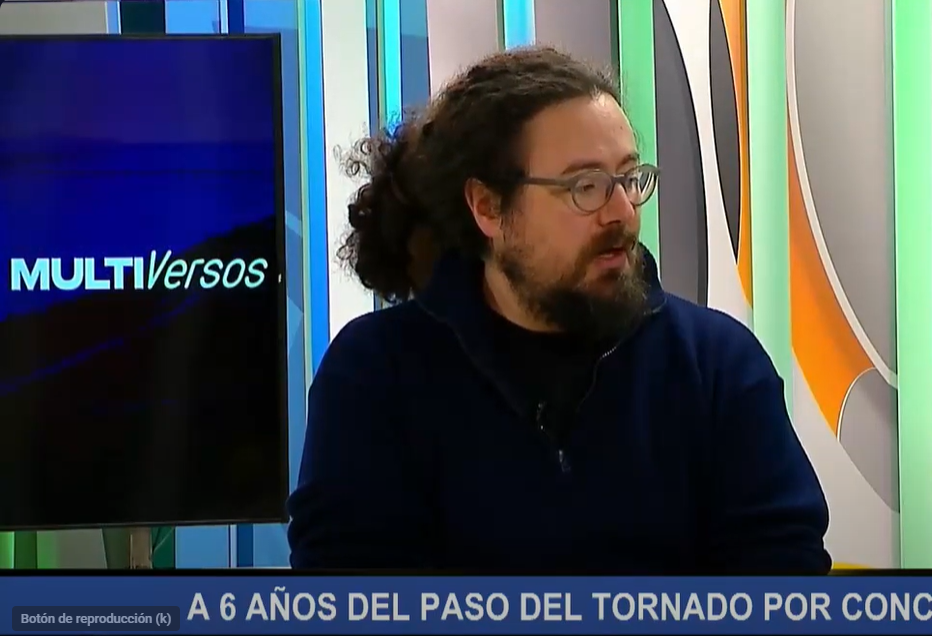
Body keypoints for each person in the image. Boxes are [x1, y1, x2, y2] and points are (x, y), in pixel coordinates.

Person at [286, 45, 831, 573]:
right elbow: (354, 598)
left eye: (629, 179)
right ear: (488, 207)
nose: (622, 213)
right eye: (585, 186)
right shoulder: (376, 374)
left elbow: (782, 582)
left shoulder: (717, 365)